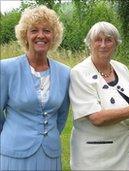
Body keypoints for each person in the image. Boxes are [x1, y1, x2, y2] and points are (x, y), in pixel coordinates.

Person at [69, 21, 129, 170]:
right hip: (95, 159)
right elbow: (96, 118)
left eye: (108, 40)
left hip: (124, 154)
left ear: (116, 44)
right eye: (98, 40)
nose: (103, 44)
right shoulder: (79, 73)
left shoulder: (122, 68)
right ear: (90, 43)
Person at [0, 5, 70, 170]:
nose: (41, 35)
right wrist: (12, 133)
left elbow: (62, 115)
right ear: (25, 35)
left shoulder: (65, 73)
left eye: (47, 30)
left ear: (54, 36)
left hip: (50, 155)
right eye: (34, 30)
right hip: (14, 154)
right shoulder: (6, 69)